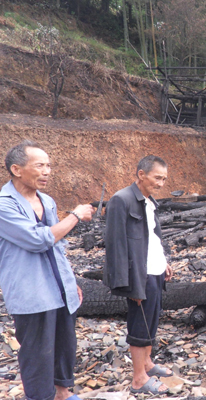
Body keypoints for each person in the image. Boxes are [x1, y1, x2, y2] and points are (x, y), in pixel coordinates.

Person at [0, 140, 94, 400]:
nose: (47, 172)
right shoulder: (4, 205)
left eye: (49, 166)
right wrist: (75, 215)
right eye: (40, 165)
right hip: (31, 291)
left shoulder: (47, 201)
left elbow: (58, 246)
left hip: (58, 286)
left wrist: (70, 281)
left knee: (65, 344)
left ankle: (62, 394)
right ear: (17, 170)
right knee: (37, 354)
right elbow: (38, 240)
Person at [104, 155, 173, 395]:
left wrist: (163, 262)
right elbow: (115, 245)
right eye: (157, 178)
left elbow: (153, 237)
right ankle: (138, 379)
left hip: (155, 270)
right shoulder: (121, 200)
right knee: (140, 324)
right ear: (141, 174)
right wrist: (128, 284)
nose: (161, 183)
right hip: (139, 276)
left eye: (164, 179)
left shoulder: (149, 201)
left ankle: (148, 363)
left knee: (152, 320)